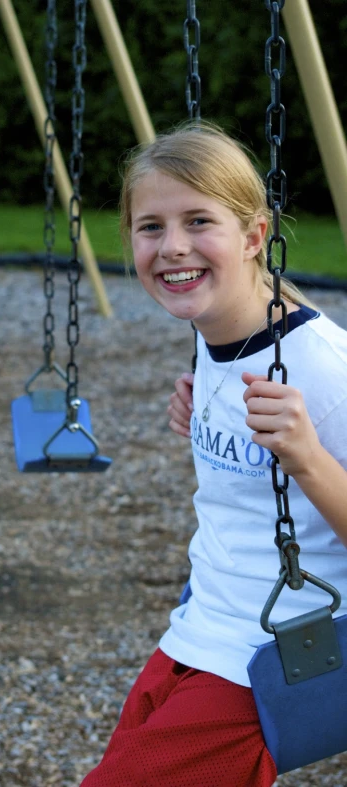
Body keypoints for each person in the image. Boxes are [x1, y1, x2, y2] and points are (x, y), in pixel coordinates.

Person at [80, 122, 347, 787]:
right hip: (201, 622)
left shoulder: (323, 369)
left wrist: (308, 455)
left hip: (278, 651)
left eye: (199, 220)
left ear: (256, 235)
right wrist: (203, 411)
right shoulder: (213, 332)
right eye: (150, 227)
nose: (172, 247)